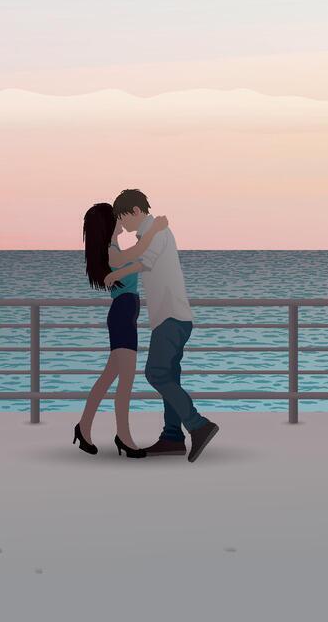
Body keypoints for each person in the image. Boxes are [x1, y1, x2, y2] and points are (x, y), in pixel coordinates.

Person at [112, 189, 218, 462]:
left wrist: (114, 275)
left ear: (135, 210)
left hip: (171, 317)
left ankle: (198, 425)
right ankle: (172, 436)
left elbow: (142, 264)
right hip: (169, 317)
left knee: (156, 373)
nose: (123, 225)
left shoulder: (157, 232)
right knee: (169, 375)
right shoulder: (152, 232)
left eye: (123, 219)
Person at [71, 203, 167, 458]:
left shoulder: (115, 250)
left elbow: (137, 256)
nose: (120, 220)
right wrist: (155, 229)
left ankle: (83, 427)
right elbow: (140, 251)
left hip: (126, 314)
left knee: (108, 379)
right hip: (123, 316)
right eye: (115, 217)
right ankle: (123, 437)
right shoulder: (113, 252)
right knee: (125, 382)